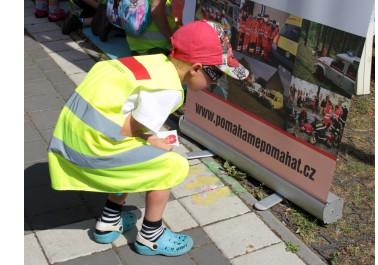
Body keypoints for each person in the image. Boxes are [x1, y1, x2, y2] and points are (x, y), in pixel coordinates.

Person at [47, 20, 249, 256]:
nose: (217, 81)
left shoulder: (154, 62)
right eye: (216, 74)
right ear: (195, 68)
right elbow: (133, 129)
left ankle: (109, 221)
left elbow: (127, 123)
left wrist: (148, 140)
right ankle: (151, 236)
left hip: (72, 138)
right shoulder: (169, 90)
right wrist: (157, 144)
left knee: (140, 150)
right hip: (88, 151)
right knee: (170, 165)